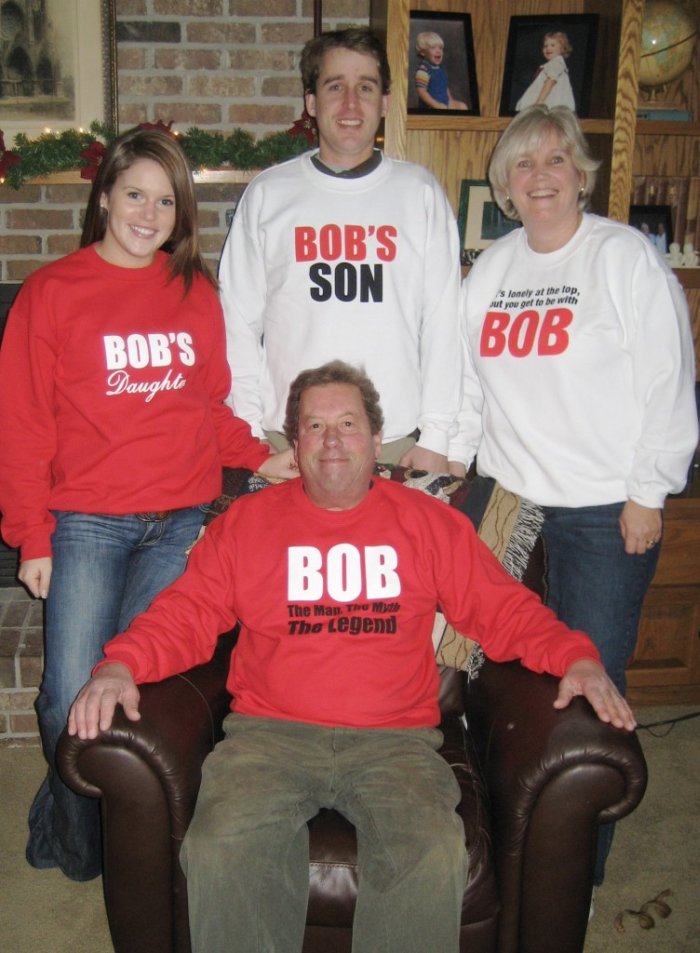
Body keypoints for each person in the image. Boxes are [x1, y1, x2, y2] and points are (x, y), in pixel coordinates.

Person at [68, 359, 636, 953]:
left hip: (395, 741)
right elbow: (186, 613)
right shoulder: (247, 523)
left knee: (430, 853)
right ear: (295, 443)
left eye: (347, 423)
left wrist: (574, 657)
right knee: (223, 846)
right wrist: (122, 664)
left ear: (375, 436)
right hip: (269, 738)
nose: (332, 440)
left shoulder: (428, 523)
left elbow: (503, 610)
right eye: (314, 426)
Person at [0, 127, 297, 882]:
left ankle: (104, 838)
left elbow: (208, 406)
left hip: (180, 525)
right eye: (135, 194)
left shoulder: (195, 290)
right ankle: (82, 843)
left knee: (131, 688)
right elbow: (23, 423)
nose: (148, 213)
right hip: (88, 523)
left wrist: (258, 454)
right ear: (104, 197)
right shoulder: (51, 292)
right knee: (66, 697)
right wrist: (31, 534)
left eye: (166, 202)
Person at [450, 104, 698, 886]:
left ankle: (571, 877)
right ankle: (492, 829)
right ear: (505, 185)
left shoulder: (621, 257)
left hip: (601, 508)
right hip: (508, 499)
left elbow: (668, 376)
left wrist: (648, 489)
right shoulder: (491, 270)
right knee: (473, 668)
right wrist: (453, 462)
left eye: (555, 159)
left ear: (581, 174)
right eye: (524, 164)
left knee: (589, 690)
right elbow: (468, 386)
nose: (541, 176)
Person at [219, 27, 462, 473]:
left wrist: (438, 434)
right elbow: (236, 323)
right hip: (289, 442)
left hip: (394, 441)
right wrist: (249, 433)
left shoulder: (420, 194)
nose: (351, 104)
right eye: (335, 87)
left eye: (365, 87)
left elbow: (444, 321)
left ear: (385, 102)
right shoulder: (270, 194)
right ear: (311, 102)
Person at [515, 31, 575, 112]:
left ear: (562, 49)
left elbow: (550, 81)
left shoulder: (556, 63)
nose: (548, 48)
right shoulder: (551, 64)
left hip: (547, 102)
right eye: (545, 46)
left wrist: (539, 102)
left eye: (553, 45)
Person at [414, 31, 468, 111]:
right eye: (433, 48)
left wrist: (450, 100)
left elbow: (445, 87)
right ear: (423, 52)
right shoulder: (423, 70)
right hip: (430, 106)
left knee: (462, 106)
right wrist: (436, 104)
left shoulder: (440, 69)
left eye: (440, 48)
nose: (438, 51)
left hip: (444, 103)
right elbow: (421, 91)